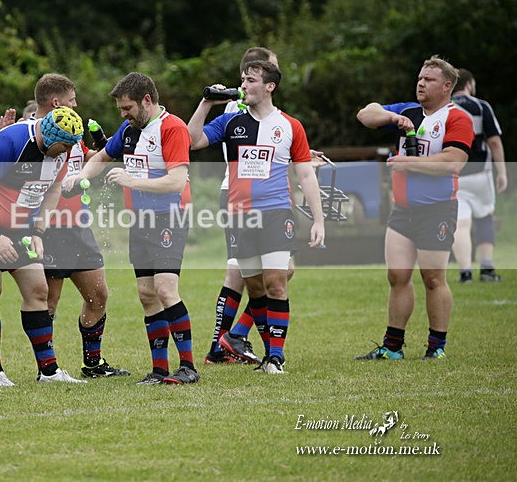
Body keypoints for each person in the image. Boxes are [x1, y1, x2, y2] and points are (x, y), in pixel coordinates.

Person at [189, 59, 325, 374]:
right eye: (243, 79)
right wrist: (207, 102)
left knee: (276, 281)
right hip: (240, 217)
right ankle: (266, 355)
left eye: (250, 80)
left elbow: (305, 174)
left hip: (277, 212)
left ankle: (276, 357)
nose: (244, 85)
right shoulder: (232, 122)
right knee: (255, 288)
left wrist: (318, 219)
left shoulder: (291, 126)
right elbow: (193, 140)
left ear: (269, 86)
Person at [68, 72, 199, 385]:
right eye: (120, 110)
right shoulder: (129, 130)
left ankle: (188, 367)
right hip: (139, 220)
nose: (123, 114)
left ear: (147, 101)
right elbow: (101, 155)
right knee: (146, 294)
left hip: (169, 216)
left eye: (127, 108)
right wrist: (81, 176)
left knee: (166, 289)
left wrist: (131, 181)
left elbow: (177, 181)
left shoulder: (173, 128)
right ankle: (159, 370)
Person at [0, 73, 87, 386]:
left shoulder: (64, 145)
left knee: (37, 290)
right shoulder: (12, 141)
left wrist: (39, 232)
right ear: (49, 134)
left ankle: (49, 371)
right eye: (63, 148)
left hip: (18, 221)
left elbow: (54, 190)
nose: (66, 153)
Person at [0, 100, 129, 379]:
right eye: (71, 98)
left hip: (79, 227)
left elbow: (94, 160)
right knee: (49, 301)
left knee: (98, 294)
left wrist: (103, 145)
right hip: (48, 229)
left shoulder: (72, 136)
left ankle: (93, 365)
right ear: (57, 101)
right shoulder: (33, 137)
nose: (76, 103)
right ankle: (48, 369)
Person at [355, 55, 473, 361]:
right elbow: (365, 114)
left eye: (429, 79)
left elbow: (454, 162)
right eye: (420, 78)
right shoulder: (407, 111)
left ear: (447, 86)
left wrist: (409, 162)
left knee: (433, 278)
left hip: (437, 209)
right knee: (397, 276)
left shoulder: (456, 118)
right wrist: (391, 118)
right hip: (403, 210)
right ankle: (392, 347)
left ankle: (436, 347)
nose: (421, 83)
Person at [451, 69, 507, 283]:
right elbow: (494, 141)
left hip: (454, 174)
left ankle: (465, 273)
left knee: (460, 223)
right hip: (479, 174)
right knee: (484, 217)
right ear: (469, 84)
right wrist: (501, 171)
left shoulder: (443, 109)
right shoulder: (481, 106)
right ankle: (487, 270)